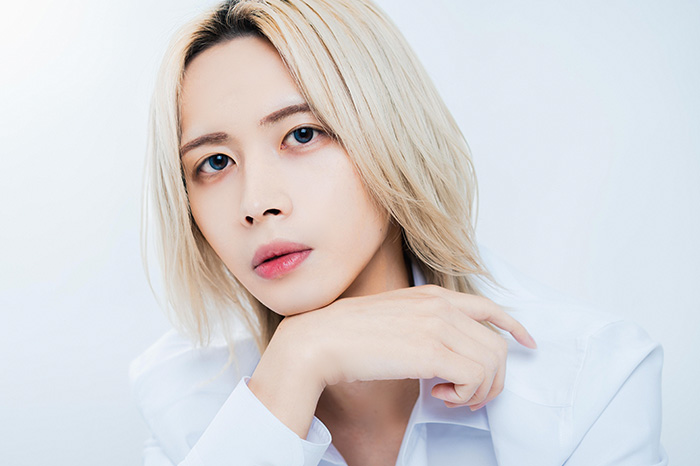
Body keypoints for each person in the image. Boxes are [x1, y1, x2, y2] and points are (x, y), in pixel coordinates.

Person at [130, 0, 666, 464]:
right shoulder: (181, 394)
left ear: (388, 133)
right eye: (215, 162)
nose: (256, 204)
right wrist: (296, 361)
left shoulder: (587, 378)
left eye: (302, 134)